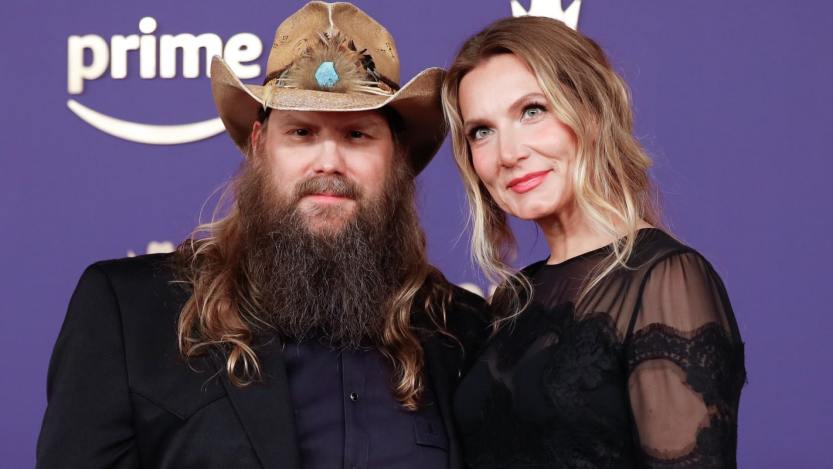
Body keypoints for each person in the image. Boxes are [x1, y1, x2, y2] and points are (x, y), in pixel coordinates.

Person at [36, 2, 488, 468]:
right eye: (301, 132)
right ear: (259, 146)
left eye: (356, 134)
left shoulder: (461, 331)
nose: (328, 162)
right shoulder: (130, 313)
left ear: (397, 158)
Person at [441, 15, 746, 468]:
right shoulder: (512, 301)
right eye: (481, 131)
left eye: (532, 110)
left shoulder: (663, 279)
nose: (508, 154)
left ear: (592, 112)